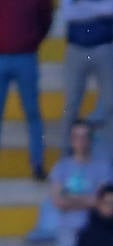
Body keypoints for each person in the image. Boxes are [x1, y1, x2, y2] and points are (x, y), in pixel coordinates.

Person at [60, 0, 113, 172]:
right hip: (76, 48)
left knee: (112, 105)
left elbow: (110, 9)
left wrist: (82, 6)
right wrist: (95, 9)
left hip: (104, 47)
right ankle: (66, 154)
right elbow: (68, 14)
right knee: (71, 105)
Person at [50, 119, 113, 246]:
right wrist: (88, 200)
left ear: (91, 140)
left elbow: (101, 201)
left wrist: (70, 199)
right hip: (68, 230)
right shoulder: (61, 167)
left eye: (84, 136)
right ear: (71, 140)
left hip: (94, 229)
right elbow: (58, 201)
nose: (81, 141)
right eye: (77, 137)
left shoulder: (103, 167)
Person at [0, 0, 53, 180]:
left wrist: (32, 40)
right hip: (8, 56)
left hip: (26, 56)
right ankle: (37, 163)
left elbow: (47, 17)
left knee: (32, 113)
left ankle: (37, 164)